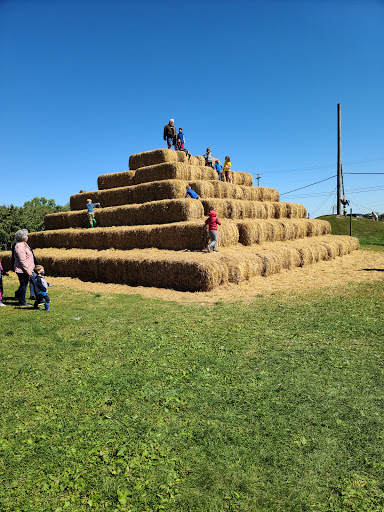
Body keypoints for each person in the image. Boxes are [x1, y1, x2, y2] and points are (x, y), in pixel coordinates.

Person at [13, 229, 34, 306]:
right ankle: (22, 302)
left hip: (26, 269)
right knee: (23, 285)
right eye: (26, 235)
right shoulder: (20, 246)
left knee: (24, 285)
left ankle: (18, 295)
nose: (27, 237)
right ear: (23, 237)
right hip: (22, 270)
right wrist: (28, 270)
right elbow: (22, 260)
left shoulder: (23, 244)